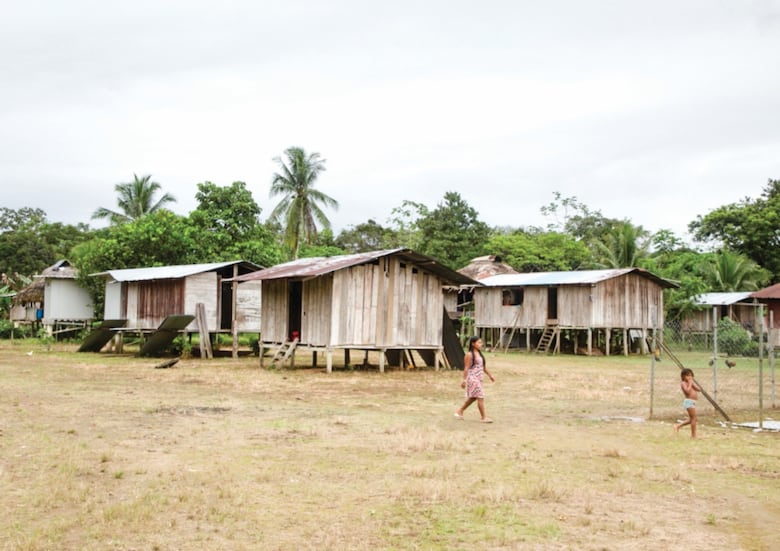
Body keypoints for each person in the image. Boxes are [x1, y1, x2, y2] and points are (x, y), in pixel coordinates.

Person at [454, 336, 495, 423]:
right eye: (478, 342)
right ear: (473, 344)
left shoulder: (479, 354)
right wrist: (464, 380)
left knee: (473, 397)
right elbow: (466, 368)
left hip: (479, 378)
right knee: (480, 396)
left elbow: (483, 367)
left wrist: (490, 375)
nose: (481, 344)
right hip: (472, 378)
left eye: (481, 342)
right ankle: (483, 417)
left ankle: (460, 411)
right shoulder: (469, 355)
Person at [674, 368, 700, 438]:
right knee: (693, 419)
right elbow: (687, 391)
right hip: (689, 402)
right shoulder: (683, 383)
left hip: (692, 402)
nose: (689, 377)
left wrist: (692, 383)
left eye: (691, 376)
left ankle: (677, 426)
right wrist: (690, 383)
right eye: (688, 376)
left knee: (692, 419)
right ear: (683, 376)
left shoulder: (690, 383)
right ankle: (693, 435)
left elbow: (699, 389)